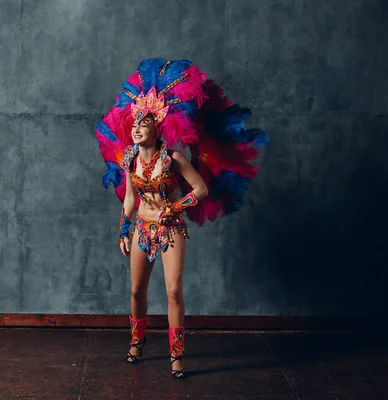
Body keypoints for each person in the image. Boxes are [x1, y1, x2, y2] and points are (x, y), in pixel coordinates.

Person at [96, 59, 268, 379]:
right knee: (136, 292)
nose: (135, 128)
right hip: (141, 229)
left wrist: (174, 209)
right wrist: (123, 228)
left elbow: (201, 189)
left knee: (174, 291)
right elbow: (131, 198)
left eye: (143, 124)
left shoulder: (172, 159)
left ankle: (176, 355)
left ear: (156, 128)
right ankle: (137, 342)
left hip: (170, 229)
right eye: (134, 123)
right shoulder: (130, 160)